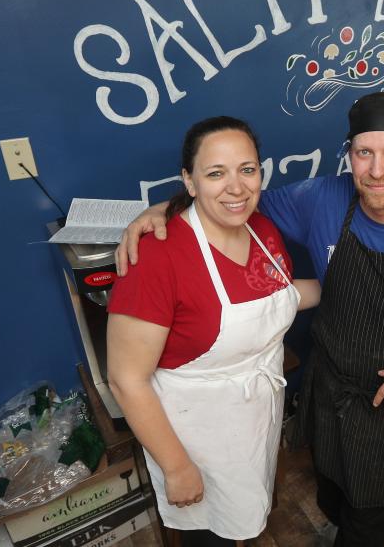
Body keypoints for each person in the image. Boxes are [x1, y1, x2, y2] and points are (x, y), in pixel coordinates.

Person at [116, 93, 384, 547]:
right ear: (348, 154)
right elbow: (229, 201)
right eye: (363, 153)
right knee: (331, 492)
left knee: (368, 520)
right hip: (328, 389)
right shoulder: (318, 198)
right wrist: (162, 212)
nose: (376, 170)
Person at [106, 116, 320, 547]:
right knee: (211, 534)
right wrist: (176, 466)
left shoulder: (262, 230)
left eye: (247, 169)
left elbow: (279, 295)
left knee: (246, 511)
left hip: (254, 415)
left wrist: (345, 287)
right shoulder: (156, 257)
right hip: (195, 435)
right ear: (189, 180)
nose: (236, 187)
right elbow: (125, 379)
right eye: (215, 173)